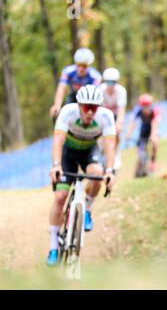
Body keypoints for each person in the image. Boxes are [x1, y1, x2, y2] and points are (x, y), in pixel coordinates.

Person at [47, 84, 116, 266]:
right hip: (67, 154)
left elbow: (109, 146)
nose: (91, 112)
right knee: (60, 196)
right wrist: (56, 166)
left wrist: (110, 171)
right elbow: (58, 141)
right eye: (87, 107)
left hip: (88, 152)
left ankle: (87, 208)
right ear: (79, 105)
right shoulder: (67, 112)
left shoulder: (106, 117)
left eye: (94, 108)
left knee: (98, 174)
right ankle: (53, 246)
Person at [49, 48, 102, 120]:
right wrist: (57, 105)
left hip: (88, 99)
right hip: (73, 96)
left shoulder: (95, 76)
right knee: (56, 113)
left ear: (89, 65)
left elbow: (96, 95)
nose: (81, 68)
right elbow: (61, 88)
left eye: (84, 66)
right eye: (79, 65)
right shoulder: (67, 71)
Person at [99, 67, 127, 170]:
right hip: (103, 115)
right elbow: (98, 110)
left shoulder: (121, 91)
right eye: (108, 82)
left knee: (117, 133)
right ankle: (101, 155)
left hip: (115, 116)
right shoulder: (100, 90)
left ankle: (116, 153)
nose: (110, 85)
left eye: (113, 82)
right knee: (100, 136)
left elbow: (121, 109)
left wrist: (119, 123)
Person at [126, 94, 160, 177]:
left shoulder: (154, 111)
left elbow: (154, 123)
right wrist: (128, 134)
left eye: (148, 106)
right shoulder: (138, 111)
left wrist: (153, 135)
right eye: (144, 107)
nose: (146, 109)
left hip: (152, 129)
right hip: (143, 130)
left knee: (155, 143)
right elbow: (133, 122)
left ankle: (153, 162)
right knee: (140, 150)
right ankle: (139, 169)